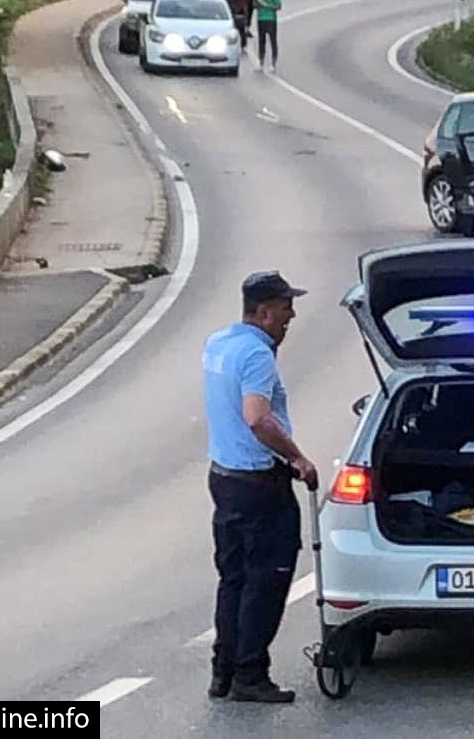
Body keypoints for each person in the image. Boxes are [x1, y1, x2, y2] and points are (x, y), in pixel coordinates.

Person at [203, 270, 319, 704]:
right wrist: (297, 458)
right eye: (286, 307)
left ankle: (223, 671)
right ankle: (250, 675)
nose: (292, 315)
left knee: (232, 578)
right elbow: (257, 417)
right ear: (265, 311)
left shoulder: (218, 343)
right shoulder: (256, 355)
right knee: (266, 580)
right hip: (258, 483)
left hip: (224, 478)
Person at [254, 0, 281, 72]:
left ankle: (273, 63)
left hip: (271, 19)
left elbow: (278, 6)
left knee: (273, 40)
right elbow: (254, 5)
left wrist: (267, 4)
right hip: (261, 18)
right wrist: (258, 3)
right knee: (261, 41)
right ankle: (261, 61)